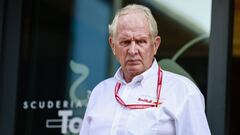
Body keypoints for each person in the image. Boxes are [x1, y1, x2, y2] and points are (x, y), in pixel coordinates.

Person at [79, 4, 211, 135]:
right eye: (125, 42)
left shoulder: (183, 91)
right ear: (113, 45)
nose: (132, 50)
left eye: (141, 41)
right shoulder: (99, 93)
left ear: (155, 45)